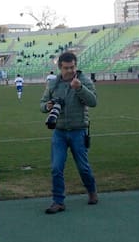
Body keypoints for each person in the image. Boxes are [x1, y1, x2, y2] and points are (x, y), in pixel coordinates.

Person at [40, 51, 98, 214]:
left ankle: (92, 191)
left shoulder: (83, 80)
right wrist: (48, 106)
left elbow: (93, 101)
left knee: (83, 167)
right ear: (60, 68)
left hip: (78, 130)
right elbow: (42, 104)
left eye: (72, 67)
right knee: (56, 167)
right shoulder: (53, 84)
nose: (70, 71)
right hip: (59, 132)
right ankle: (58, 201)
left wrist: (79, 88)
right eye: (66, 68)